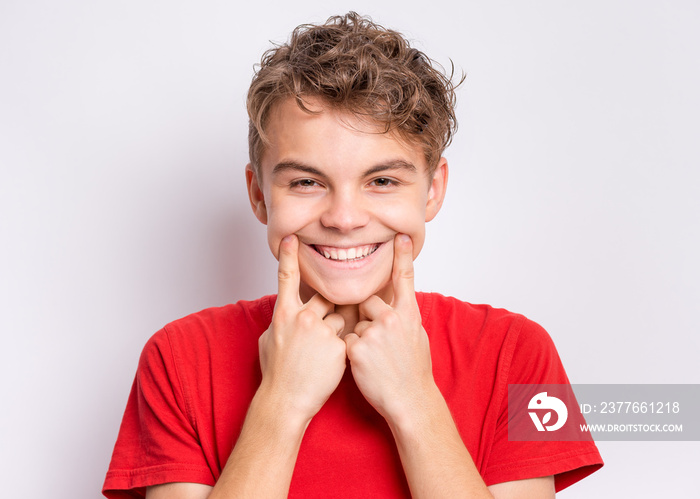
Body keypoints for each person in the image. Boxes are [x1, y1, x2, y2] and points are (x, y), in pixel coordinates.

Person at [103, 12, 603, 498]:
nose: (344, 218)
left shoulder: (519, 353)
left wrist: (415, 402)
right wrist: (281, 404)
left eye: (382, 181)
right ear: (259, 196)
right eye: (306, 182)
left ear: (432, 191)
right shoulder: (177, 358)